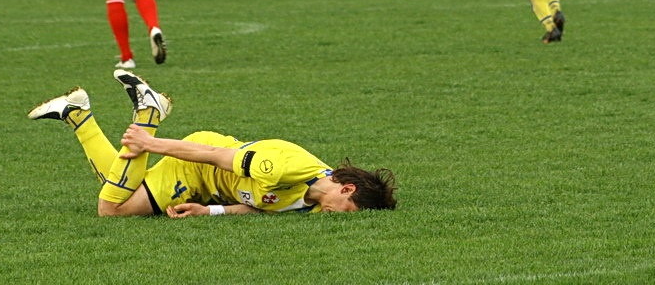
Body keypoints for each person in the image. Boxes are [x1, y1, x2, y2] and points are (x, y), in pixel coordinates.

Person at [27, 69, 398, 216]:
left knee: (118, 181)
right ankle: (149, 113)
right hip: (197, 166)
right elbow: (213, 155)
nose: (339, 217)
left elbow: (264, 210)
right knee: (111, 209)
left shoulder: (317, 205)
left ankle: (77, 114)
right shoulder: (284, 166)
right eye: (346, 209)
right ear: (346, 188)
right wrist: (149, 142)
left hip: (209, 190)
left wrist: (211, 212)